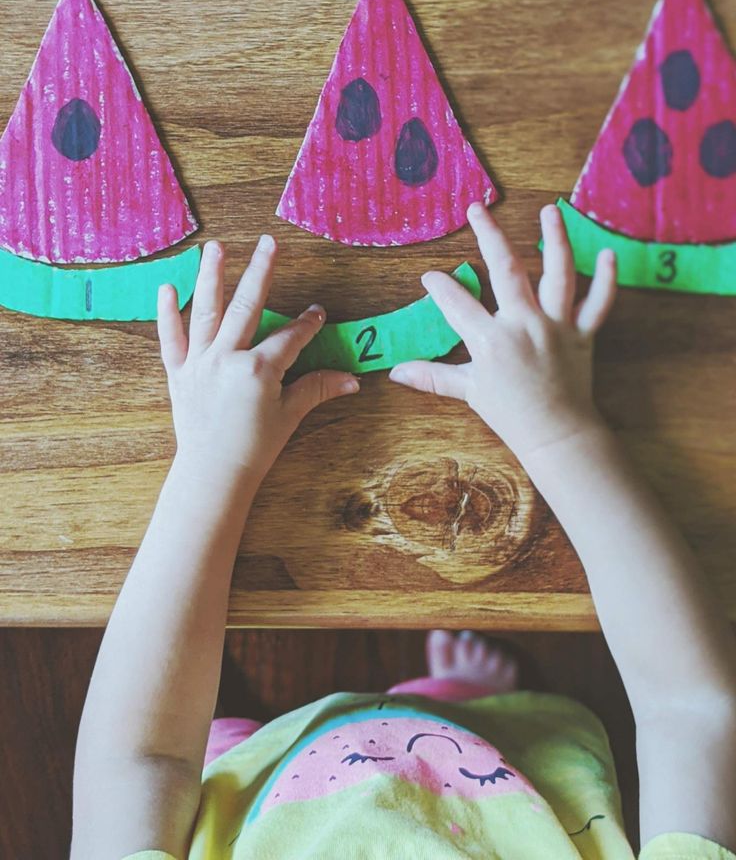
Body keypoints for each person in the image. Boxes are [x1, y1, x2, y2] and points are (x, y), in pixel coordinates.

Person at [70, 203, 736, 860]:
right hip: (507, 754)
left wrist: (211, 463)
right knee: (480, 714)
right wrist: (561, 431)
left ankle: (257, 732)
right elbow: (692, 708)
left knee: (217, 753)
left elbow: (142, 759)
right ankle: (463, 700)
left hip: (254, 786)